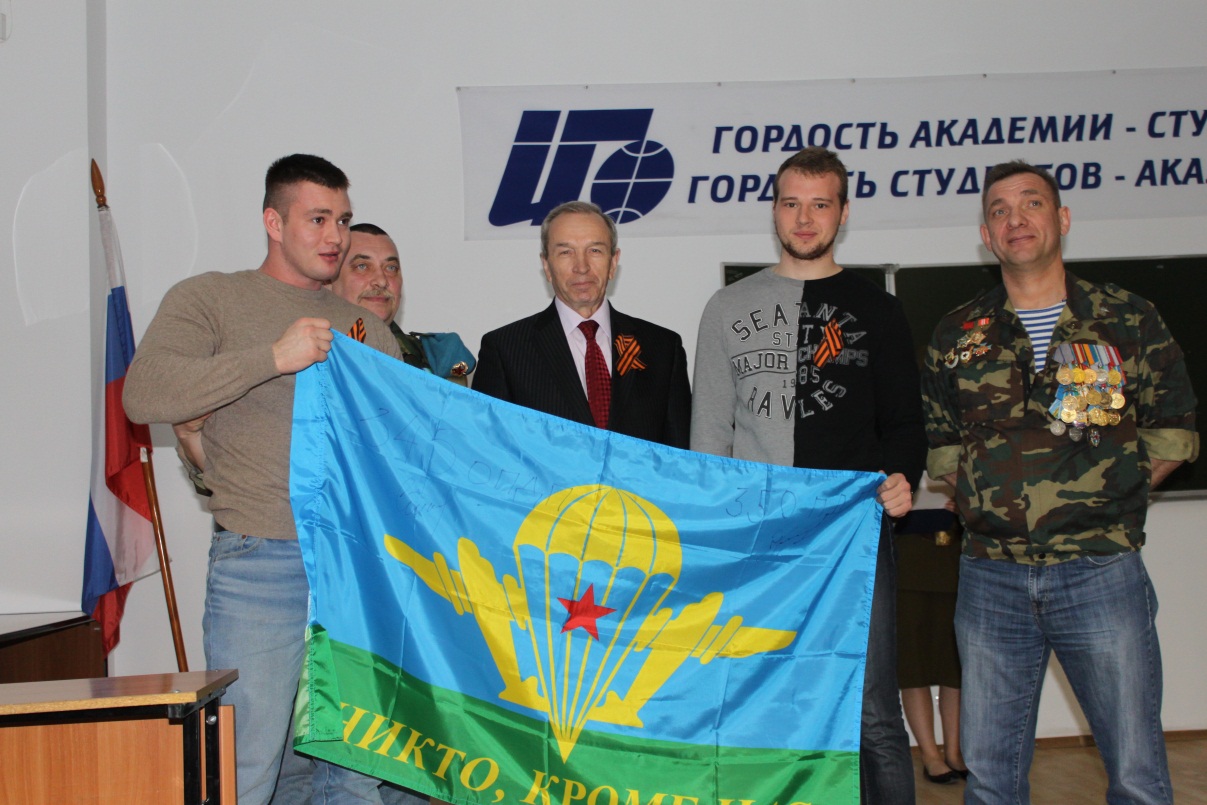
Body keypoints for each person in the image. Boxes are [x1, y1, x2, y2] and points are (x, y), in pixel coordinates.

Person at [124, 154, 404, 805]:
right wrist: (273, 357)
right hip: (261, 560)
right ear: (273, 222)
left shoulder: (367, 327)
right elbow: (143, 393)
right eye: (317, 219)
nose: (335, 236)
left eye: (342, 220)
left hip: (355, 566)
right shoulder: (210, 297)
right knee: (245, 762)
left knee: (356, 768)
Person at [921, 160, 1198, 804]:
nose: (1015, 219)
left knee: (1136, 774)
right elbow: (944, 449)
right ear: (986, 236)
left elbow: (1174, 432)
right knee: (990, 779)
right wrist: (992, 507)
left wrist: (1111, 496)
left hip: (1100, 571)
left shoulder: (1126, 319)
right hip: (990, 578)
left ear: (1062, 218)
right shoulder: (956, 334)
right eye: (998, 211)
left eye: (1032, 203)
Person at [691, 146, 924, 805]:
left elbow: (905, 423)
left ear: (842, 214)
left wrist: (902, 477)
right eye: (791, 203)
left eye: (819, 204)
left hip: (854, 538)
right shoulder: (727, 306)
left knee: (872, 709)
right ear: (773, 211)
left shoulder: (878, 309)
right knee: (761, 702)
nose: (803, 218)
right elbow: (709, 435)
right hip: (758, 541)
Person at [473, 200, 691, 447]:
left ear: (613, 262)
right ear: (546, 265)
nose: (582, 267)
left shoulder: (663, 348)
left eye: (594, 250)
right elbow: (490, 450)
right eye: (566, 252)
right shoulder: (505, 350)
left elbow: (680, 456)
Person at [333, 223, 474, 385]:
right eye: (362, 266)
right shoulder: (315, 354)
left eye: (391, 268)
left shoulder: (437, 358)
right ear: (328, 281)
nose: (381, 281)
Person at [895, 487, 966, 786]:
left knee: (955, 665)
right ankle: (929, 754)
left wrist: (968, 502)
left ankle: (954, 751)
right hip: (906, 555)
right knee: (913, 664)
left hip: (955, 554)